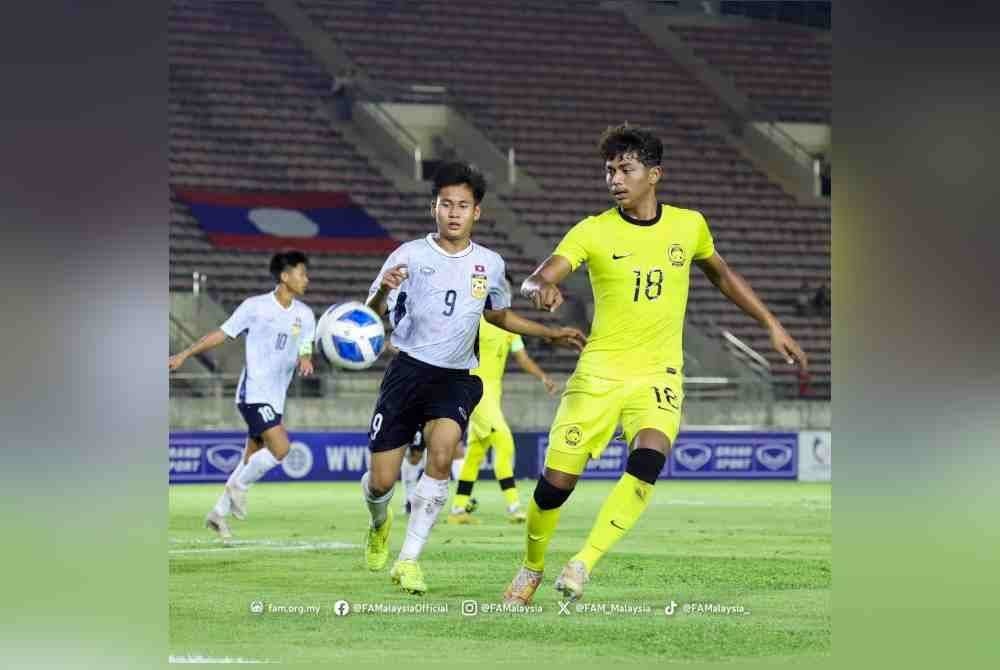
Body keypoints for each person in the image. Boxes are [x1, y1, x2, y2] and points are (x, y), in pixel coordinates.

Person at [502, 125, 808, 604]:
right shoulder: (593, 230)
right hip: (599, 373)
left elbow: (723, 276)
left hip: (658, 374)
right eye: (609, 171)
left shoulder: (689, 226)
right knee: (555, 486)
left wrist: (771, 323)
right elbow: (539, 276)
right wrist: (540, 288)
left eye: (625, 169)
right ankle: (531, 566)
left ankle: (583, 563)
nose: (614, 179)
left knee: (648, 460)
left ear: (654, 174)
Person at [359, 161, 587, 595]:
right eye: (446, 204)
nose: (454, 212)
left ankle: (408, 560)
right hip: (407, 371)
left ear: (476, 212)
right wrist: (385, 289)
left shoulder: (490, 264)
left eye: (463, 205)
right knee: (381, 482)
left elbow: (498, 315)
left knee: (443, 454)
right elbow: (369, 317)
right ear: (434, 207)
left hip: (456, 375)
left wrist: (550, 333)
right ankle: (378, 522)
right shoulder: (408, 255)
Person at [168, 251, 315, 540]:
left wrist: (306, 358)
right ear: (284, 276)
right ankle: (239, 487)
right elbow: (221, 334)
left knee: (252, 457)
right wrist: (184, 354)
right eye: (301, 273)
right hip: (253, 393)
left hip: (276, 397)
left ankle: (218, 513)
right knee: (281, 449)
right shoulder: (255, 307)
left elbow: (305, 346)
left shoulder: (306, 315)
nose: (306, 279)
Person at [448, 278, 561, 525]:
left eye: (506, 288)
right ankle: (514, 505)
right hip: (475, 391)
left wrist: (542, 377)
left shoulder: (509, 326)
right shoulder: (474, 318)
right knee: (504, 440)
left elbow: (522, 357)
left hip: (493, 394)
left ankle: (458, 509)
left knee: (475, 453)